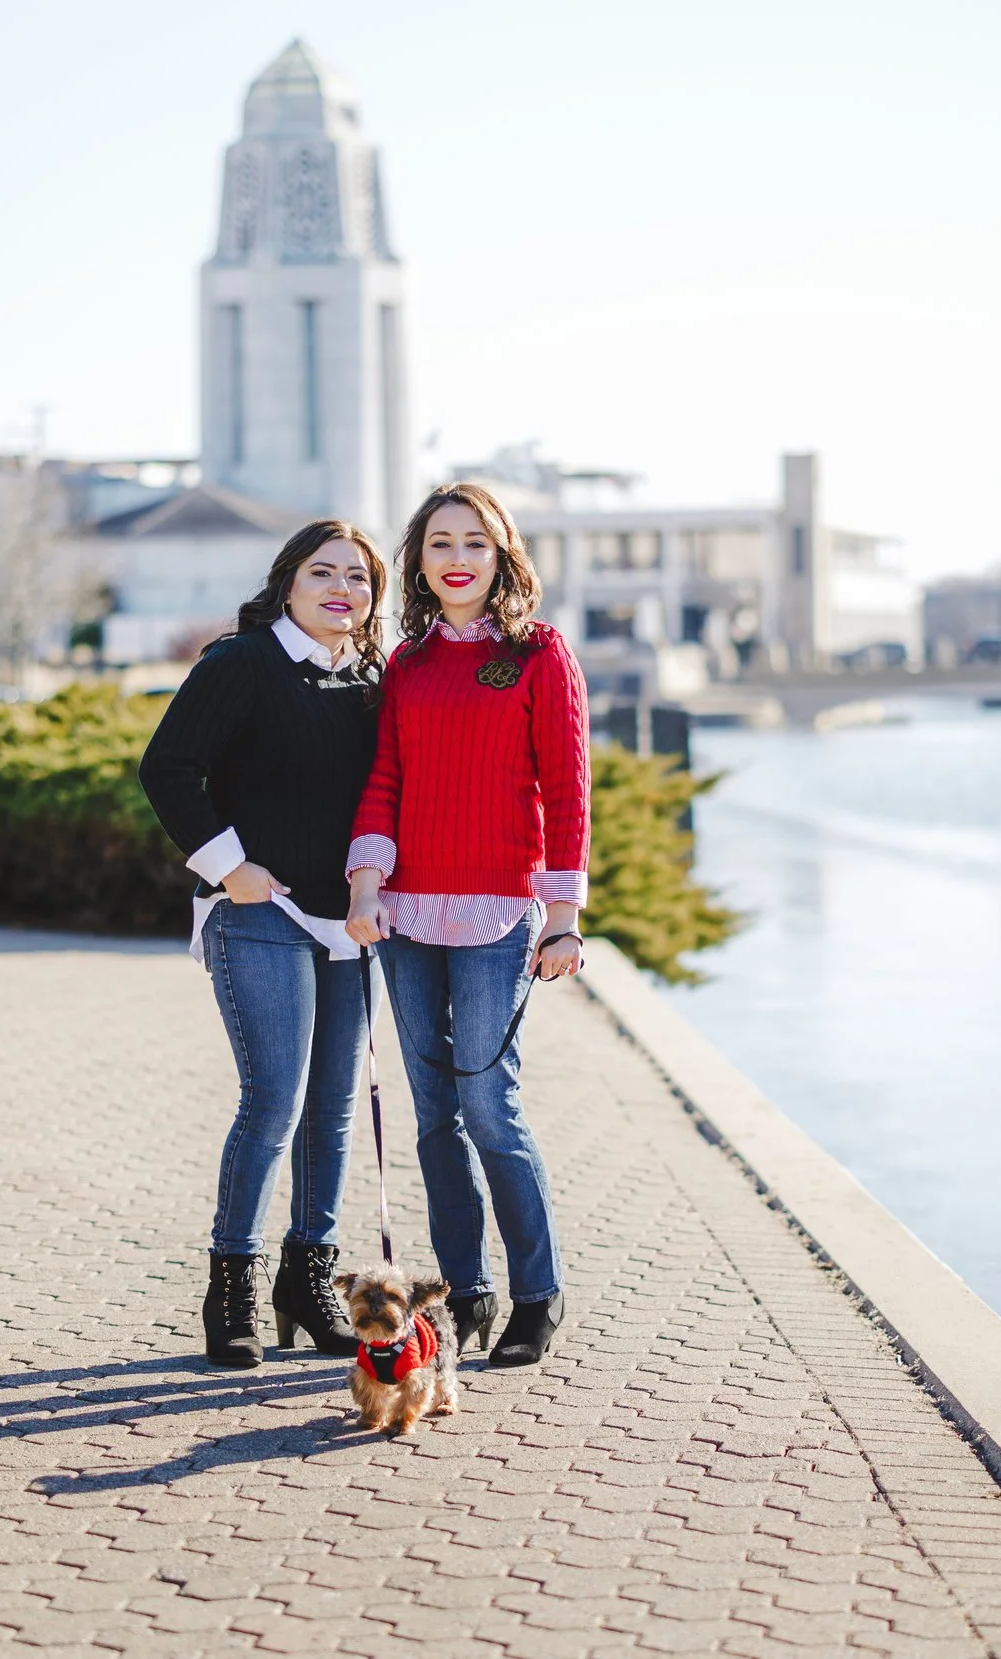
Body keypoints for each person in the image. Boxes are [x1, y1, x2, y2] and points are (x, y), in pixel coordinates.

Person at [344, 481, 589, 1369]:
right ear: (420, 559)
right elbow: (385, 780)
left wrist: (562, 919)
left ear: (502, 556)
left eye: (474, 543)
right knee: (434, 1116)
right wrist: (367, 886)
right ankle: (464, 1289)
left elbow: (566, 793)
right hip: (407, 914)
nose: (457, 557)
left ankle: (537, 1292)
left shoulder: (539, 654)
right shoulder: (406, 664)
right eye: (440, 542)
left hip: (497, 914)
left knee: (490, 1106)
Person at [139, 521, 386, 1369]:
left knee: (333, 1112)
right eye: (323, 572)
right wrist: (227, 864)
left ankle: (306, 1278)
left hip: (348, 921)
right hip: (261, 912)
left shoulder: (368, 682)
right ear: (288, 582)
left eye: (358, 577)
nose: (340, 588)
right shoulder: (240, 663)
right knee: (273, 1099)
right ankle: (232, 1285)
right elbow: (166, 767)